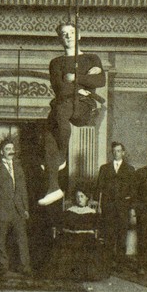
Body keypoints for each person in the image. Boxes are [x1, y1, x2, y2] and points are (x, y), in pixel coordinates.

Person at [38, 22, 106, 206]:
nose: (68, 36)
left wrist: (75, 78)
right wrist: (83, 84)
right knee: (49, 133)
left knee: (60, 112)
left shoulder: (92, 58)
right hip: (65, 104)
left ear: (79, 36)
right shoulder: (56, 63)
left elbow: (100, 81)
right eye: (64, 34)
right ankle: (53, 188)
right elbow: (59, 87)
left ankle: (61, 155)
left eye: (71, 32)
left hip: (84, 107)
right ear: (60, 38)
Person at [0, 138, 32, 276]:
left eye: (12, 149)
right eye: (7, 149)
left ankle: (24, 266)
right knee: (1, 240)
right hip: (1, 211)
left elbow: (23, 190)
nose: (11, 152)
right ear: (1, 152)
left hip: (18, 210)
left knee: (22, 239)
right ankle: (2, 266)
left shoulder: (19, 169)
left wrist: (25, 209)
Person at [46, 186, 105, 281]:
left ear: (87, 198)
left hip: (86, 236)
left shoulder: (92, 213)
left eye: (82, 196)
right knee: (65, 245)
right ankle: (66, 274)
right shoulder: (69, 212)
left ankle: (86, 274)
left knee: (89, 246)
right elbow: (61, 225)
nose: (79, 199)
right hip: (71, 235)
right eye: (77, 197)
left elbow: (97, 228)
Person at [96, 141, 138, 270]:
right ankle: (108, 263)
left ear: (123, 153)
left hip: (123, 208)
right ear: (111, 152)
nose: (116, 153)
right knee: (109, 235)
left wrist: (131, 208)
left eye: (119, 151)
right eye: (114, 151)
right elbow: (99, 188)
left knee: (122, 235)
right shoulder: (104, 168)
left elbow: (133, 190)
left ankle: (120, 263)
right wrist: (98, 204)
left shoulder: (130, 169)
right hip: (108, 207)